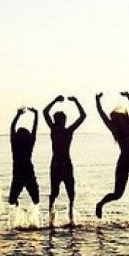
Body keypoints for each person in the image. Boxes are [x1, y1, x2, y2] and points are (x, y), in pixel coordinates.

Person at [94, 91, 129, 218]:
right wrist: (98, 101)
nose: (116, 121)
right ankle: (100, 204)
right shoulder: (115, 130)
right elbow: (101, 114)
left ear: (123, 118)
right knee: (117, 194)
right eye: (114, 120)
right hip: (124, 162)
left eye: (117, 118)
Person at [43, 95, 86, 225]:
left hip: (65, 164)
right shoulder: (55, 130)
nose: (61, 122)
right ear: (56, 121)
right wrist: (55, 100)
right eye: (59, 120)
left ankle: (71, 216)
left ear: (64, 121)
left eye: (62, 119)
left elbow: (83, 116)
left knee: (71, 192)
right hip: (57, 164)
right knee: (54, 193)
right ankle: (52, 219)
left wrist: (77, 101)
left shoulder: (68, 131)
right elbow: (45, 112)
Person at [9, 107, 40, 206]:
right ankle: (17, 204)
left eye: (24, 133)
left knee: (36, 200)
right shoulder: (15, 144)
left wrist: (36, 114)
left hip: (28, 172)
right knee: (11, 201)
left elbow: (34, 128)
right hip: (17, 172)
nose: (22, 135)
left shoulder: (29, 143)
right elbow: (12, 127)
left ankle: (31, 216)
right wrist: (18, 115)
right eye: (20, 133)